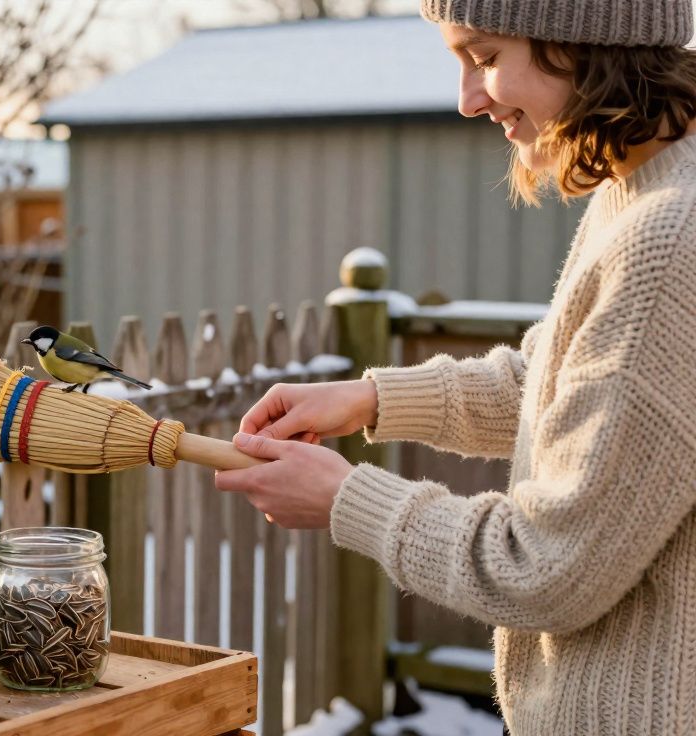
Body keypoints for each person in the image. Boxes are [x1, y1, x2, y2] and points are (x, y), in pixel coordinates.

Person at [213, 1, 696, 732]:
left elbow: (546, 568)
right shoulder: (647, 190)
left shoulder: (668, 241)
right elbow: (555, 386)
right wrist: (371, 399)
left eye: (486, 57)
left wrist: (349, 501)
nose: (468, 100)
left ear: (584, 40)